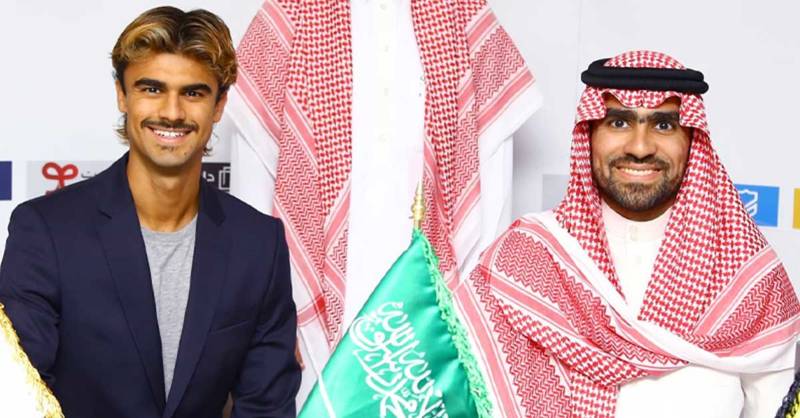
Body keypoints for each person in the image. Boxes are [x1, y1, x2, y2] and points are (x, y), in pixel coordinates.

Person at [219, 0, 542, 400]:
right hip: (308, 307)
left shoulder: (460, 13)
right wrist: (265, 315)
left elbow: (491, 177)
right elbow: (253, 184)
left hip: (427, 299)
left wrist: (478, 315)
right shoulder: (291, 13)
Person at [454, 50, 800, 417]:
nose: (639, 147)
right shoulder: (521, 262)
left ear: (692, 140)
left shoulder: (748, 282)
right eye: (619, 123)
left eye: (663, 125)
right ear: (589, 134)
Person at [0, 7, 300, 418]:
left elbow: (266, 407)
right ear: (122, 95)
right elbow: (19, 397)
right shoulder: (47, 231)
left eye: (193, 93)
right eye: (152, 89)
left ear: (219, 105)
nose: (172, 112)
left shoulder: (258, 244)